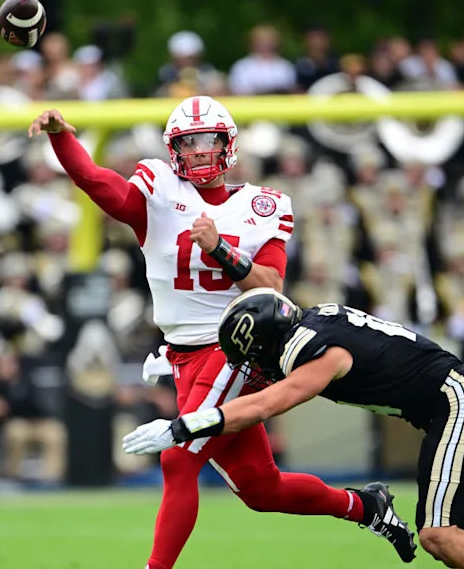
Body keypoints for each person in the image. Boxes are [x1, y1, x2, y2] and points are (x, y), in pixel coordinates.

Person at [28, 96, 416, 568]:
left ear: (228, 144)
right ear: (174, 149)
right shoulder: (157, 191)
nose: (198, 151)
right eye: (188, 142)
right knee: (260, 487)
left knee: (178, 458)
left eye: (208, 140)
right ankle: (367, 507)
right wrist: (61, 137)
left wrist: (219, 249)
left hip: (236, 349)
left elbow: (272, 288)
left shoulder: (261, 206)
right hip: (184, 358)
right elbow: (96, 181)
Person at [123, 288, 464, 569]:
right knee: (451, 538)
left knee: (439, 536)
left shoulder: (314, 353)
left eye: (250, 358)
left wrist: (184, 425)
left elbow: (269, 401)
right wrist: (176, 364)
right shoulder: (314, 319)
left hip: (457, 402)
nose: (252, 367)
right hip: (461, 399)